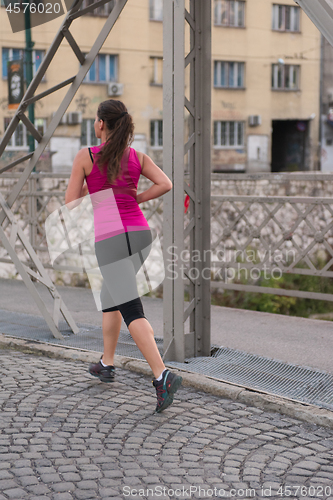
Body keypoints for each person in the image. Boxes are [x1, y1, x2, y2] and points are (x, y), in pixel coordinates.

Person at [65, 99, 182, 413]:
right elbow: (166, 183)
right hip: (140, 236)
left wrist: (95, 196)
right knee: (112, 295)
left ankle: (162, 376)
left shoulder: (86, 156)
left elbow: (71, 202)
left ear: (101, 124)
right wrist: (137, 197)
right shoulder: (137, 156)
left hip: (111, 239)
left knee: (130, 306)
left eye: (95, 120)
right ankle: (107, 362)